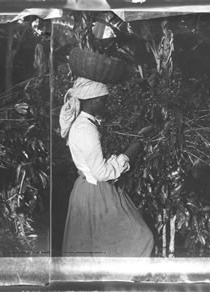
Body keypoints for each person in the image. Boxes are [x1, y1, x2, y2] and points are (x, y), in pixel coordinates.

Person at [59, 77, 154, 257]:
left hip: (88, 189)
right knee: (141, 237)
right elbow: (101, 172)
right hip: (96, 192)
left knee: (93, 248)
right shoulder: (86, 129)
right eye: (103, 100)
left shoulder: (85, 123)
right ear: (93, 101)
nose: (106, 104)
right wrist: (130, 152)